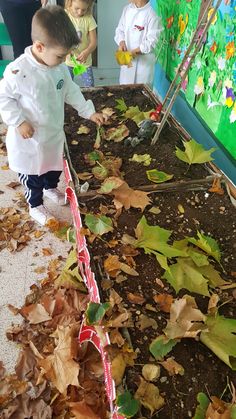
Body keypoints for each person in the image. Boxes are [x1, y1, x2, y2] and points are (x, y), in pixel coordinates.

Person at [0, 5, 105, 225]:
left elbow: (71, 91)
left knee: (52, 168)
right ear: (39, 46)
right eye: (60, 55)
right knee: (32, 177)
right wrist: (18, 121)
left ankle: (50, 188)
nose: (63, 60)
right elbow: (4, 98)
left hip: (52, 133)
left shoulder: (57, 68)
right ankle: (35, 205)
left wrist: (89, 111)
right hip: (28, 139)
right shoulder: (17, 71)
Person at [114, 0, 162, 86]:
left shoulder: (152, 15)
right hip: (127, 67)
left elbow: (152, 41)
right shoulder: (127, 10)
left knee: (141, 96)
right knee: (125, 92)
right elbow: (119, 30)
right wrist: (121, 42)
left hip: (143, 67)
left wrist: (134, 52)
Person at [64, 0, 97, 87]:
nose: (80, 12)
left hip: (84, 62)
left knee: (90, 87)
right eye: (77, 8)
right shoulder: (64, 16)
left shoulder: (89, 18)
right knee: (66, 87)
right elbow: (59, 37)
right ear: (70, 3)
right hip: (67, 61)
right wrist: (66, 49)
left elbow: (94, 42)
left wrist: (87, 52)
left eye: (84, 10)